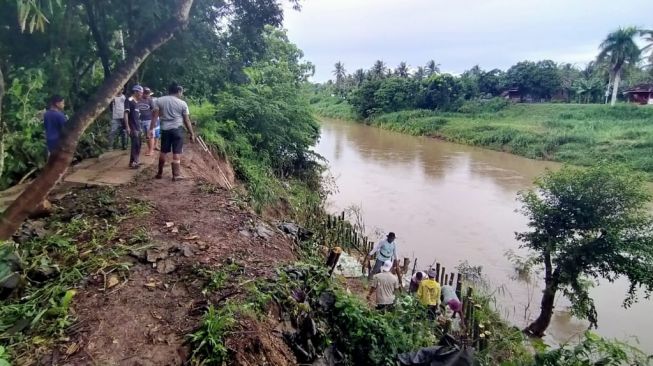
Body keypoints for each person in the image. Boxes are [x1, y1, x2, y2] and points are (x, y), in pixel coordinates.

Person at [151, 82, 196, 180]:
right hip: (177, 130)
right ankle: (176, 175)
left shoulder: (159, 100)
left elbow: (155, 116)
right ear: (178, 91)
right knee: (176, 152)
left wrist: (151, 129)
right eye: (181, 92)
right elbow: (186, 120)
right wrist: (191, 133)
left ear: (168, 91)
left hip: (165, 129)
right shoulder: (182, 103)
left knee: (163, 151)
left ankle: (159, 173)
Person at [124, 85, 144, 169]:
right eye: (140, 92)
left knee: (138, 144)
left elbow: (137, 116)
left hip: (138, 127)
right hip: (132, 126)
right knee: (135, 144)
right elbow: (125, 114)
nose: (141, 94)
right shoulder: (129, 100)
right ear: (135, 92)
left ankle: (133, 161)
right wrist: (127, 127)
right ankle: (134, 162)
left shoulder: (137, 102)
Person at [138, 87, 156, 156]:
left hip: (149, 120)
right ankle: (150, 149)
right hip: (140, 120)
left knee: (150, 135)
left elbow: (154, 110)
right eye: (145, 93)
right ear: (142, 93)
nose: (147, 95)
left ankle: (151, 150)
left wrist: (153, 121)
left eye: (148, 93)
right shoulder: (139, 100)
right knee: (146, 136)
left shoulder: (150, 100)